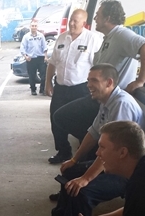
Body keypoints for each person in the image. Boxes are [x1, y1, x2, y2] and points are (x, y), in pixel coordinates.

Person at [51, 0, 145, 164]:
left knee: (64, 116)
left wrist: (140, 81)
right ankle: (90, 154)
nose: (95, 19)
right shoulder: (109, 37)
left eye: (98, 16)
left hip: (112, 96)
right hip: (102, 97)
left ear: (107, 17)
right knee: (74, 123)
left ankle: (95, 155)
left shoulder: (121, 34)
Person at [51, 64, 143, 216]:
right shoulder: (106, 101)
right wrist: (74, 160)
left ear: (109, 82)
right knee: (70, 172)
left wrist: (86, 179)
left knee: (81, 191)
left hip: (127, 172)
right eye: (88, 80)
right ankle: (62, 211)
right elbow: (93, 133)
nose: (88, 85)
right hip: (114, 163)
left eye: (94, 80)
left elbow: (113, 150)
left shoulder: (122, 104)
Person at [45, 9, 104, 164]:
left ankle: (84, 153)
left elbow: (98, 67)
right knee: (56, 119)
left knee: (82, 122)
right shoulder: (62, 38)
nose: (71, 23)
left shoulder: (92, 39)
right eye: (71, 20)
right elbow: (52, 63)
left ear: (84, 23)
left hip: (82, 89)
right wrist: (48, 83)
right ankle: (63, 152)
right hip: (61, 88)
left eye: (75, 21)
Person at [20, 19, 48, 95]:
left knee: (44, 75)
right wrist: (25, 56)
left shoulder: (41, 36)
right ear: (30, 27)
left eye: (35, 26)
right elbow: (23, 48)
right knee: (31, 76)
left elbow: (44, 47)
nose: (34, 27)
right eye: (32, 26)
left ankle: (42, 90)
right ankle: (33, 90)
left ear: (37, 27)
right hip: (31, 59)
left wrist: (45, 57)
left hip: (40, 58)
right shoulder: (26, 37)